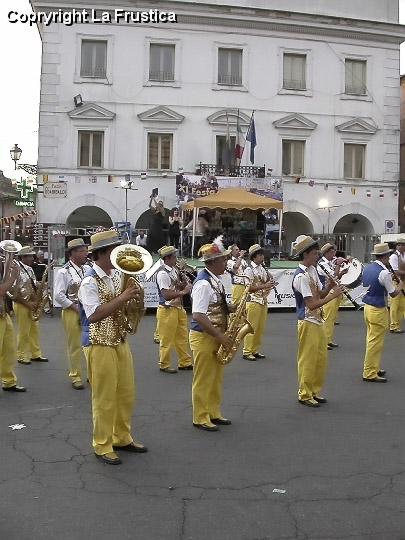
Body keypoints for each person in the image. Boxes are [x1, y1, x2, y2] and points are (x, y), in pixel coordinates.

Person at [78, 229, 147, 465]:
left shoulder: (116, 276)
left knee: (126, 393)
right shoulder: (89, 281)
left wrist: (133, 304)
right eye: (114, 251)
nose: (119, 256)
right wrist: (123, 298)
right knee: (104, 398)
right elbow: (93, 315)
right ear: (101, 253)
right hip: (98, 343)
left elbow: (121, 308)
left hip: (119, 339)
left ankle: (122, 437)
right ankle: (102, 444)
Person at [292, 235, 344, 407]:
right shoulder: (301, 276)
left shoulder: (312, 270)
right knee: (308, 359)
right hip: (307, 321)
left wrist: (330, 285)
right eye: (315, 254)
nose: (318, 257)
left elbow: (320, 294)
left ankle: (314, 390)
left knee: (320, 359)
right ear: (305, 254)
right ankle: (305, 393)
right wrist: (333, 295)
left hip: (317, 320)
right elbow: (312, 304)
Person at [189, 236, 233, 431]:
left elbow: (215, 307)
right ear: (213, 262)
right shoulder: (203, 284)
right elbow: (198, 316)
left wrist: (233, 308)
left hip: (214, 335)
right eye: (223, 259)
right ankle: (200, 416)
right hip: (205, 336)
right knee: (204, 378)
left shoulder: (215, 280)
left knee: (216, 378)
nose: (226, 263)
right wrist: (220, 336)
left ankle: (213, 412)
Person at [362, 243, 404, 383]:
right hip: (378, 309)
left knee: (371, 340)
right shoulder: (384, 272)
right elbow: (393, 293)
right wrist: (401, 285)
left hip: (368, 306)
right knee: (376, 342)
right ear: (386, 255)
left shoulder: (368, 268)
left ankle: (373, 367)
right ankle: (369, 372)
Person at [54, 238, 88, 389]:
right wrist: (76, 308)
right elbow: (58, 295)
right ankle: (75, 376)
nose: (86, 254)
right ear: (73, 253)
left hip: (87, 311)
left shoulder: (87, 269)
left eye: (86, 250)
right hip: (71, 312)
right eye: (83, 251)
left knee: (89, 344)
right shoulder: (64, 271)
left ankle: (90, 374)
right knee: (75, 346)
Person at [156, 245, 193, 373]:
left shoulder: (174, 270)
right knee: (166, 339)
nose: (176, 260)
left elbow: (177, 286)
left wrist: (185, 283)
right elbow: (166, 294)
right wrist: (184, 292)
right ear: (166, 258)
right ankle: (164, 364)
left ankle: (184, 362)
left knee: (182, 337)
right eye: (174, 257)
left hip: (178, 307)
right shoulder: (162, 273)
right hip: (167, 309)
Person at [13, 246, 48, 365]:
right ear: (22, 257)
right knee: (24, 331)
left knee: (34, 330)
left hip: (32, 303)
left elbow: (32, 283)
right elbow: (13, 292)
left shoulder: (29, 269)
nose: (32, 258)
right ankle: (21, 355)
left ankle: (35, 354)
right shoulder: (16, 270)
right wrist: (27, 303)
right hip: (23, 304)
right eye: (29, 256)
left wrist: (41, 284)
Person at [0, 243, 26, 392]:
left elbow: (9, 292)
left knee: (9, 351)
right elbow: (1, 290)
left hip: (3, 313)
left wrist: (12, 278)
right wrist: (13, 277)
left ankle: (9, 381)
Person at [242, 244, 274, 361]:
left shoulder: (262, 268)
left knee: (260, 328)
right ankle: (247, 351)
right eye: (260, 255)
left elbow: (265, 282)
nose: (263, 257)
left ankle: (255, 350)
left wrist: (269, 282)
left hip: (262, 300)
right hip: (253, 301)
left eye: (262, 255)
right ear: (254, 257)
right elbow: (248, 288)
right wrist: (264, 285)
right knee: (251, 327)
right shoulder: (249, 270)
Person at [317, 243, 349, 350]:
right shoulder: (322, 264)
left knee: (331, 318)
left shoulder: (330, 262)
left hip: (334, 291)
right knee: (327, 318)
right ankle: (323, 341)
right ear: (325, 253)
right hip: (328, 293)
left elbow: (337, 275)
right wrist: (339, 265)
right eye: (331, 252)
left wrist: (345, 263)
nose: (334, 254)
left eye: (334, 252)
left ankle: (328, 339)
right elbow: (334, 276)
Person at [388, 237, 405, 334]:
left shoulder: (404, 255)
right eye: (399, 245)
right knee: (395, 305)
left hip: (403, 282)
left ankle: (397, 325)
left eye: (402, 245)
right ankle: (393, 325)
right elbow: (395, 271)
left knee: (402, 305)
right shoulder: (394, 257)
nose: (401, 247)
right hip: (396, 282)